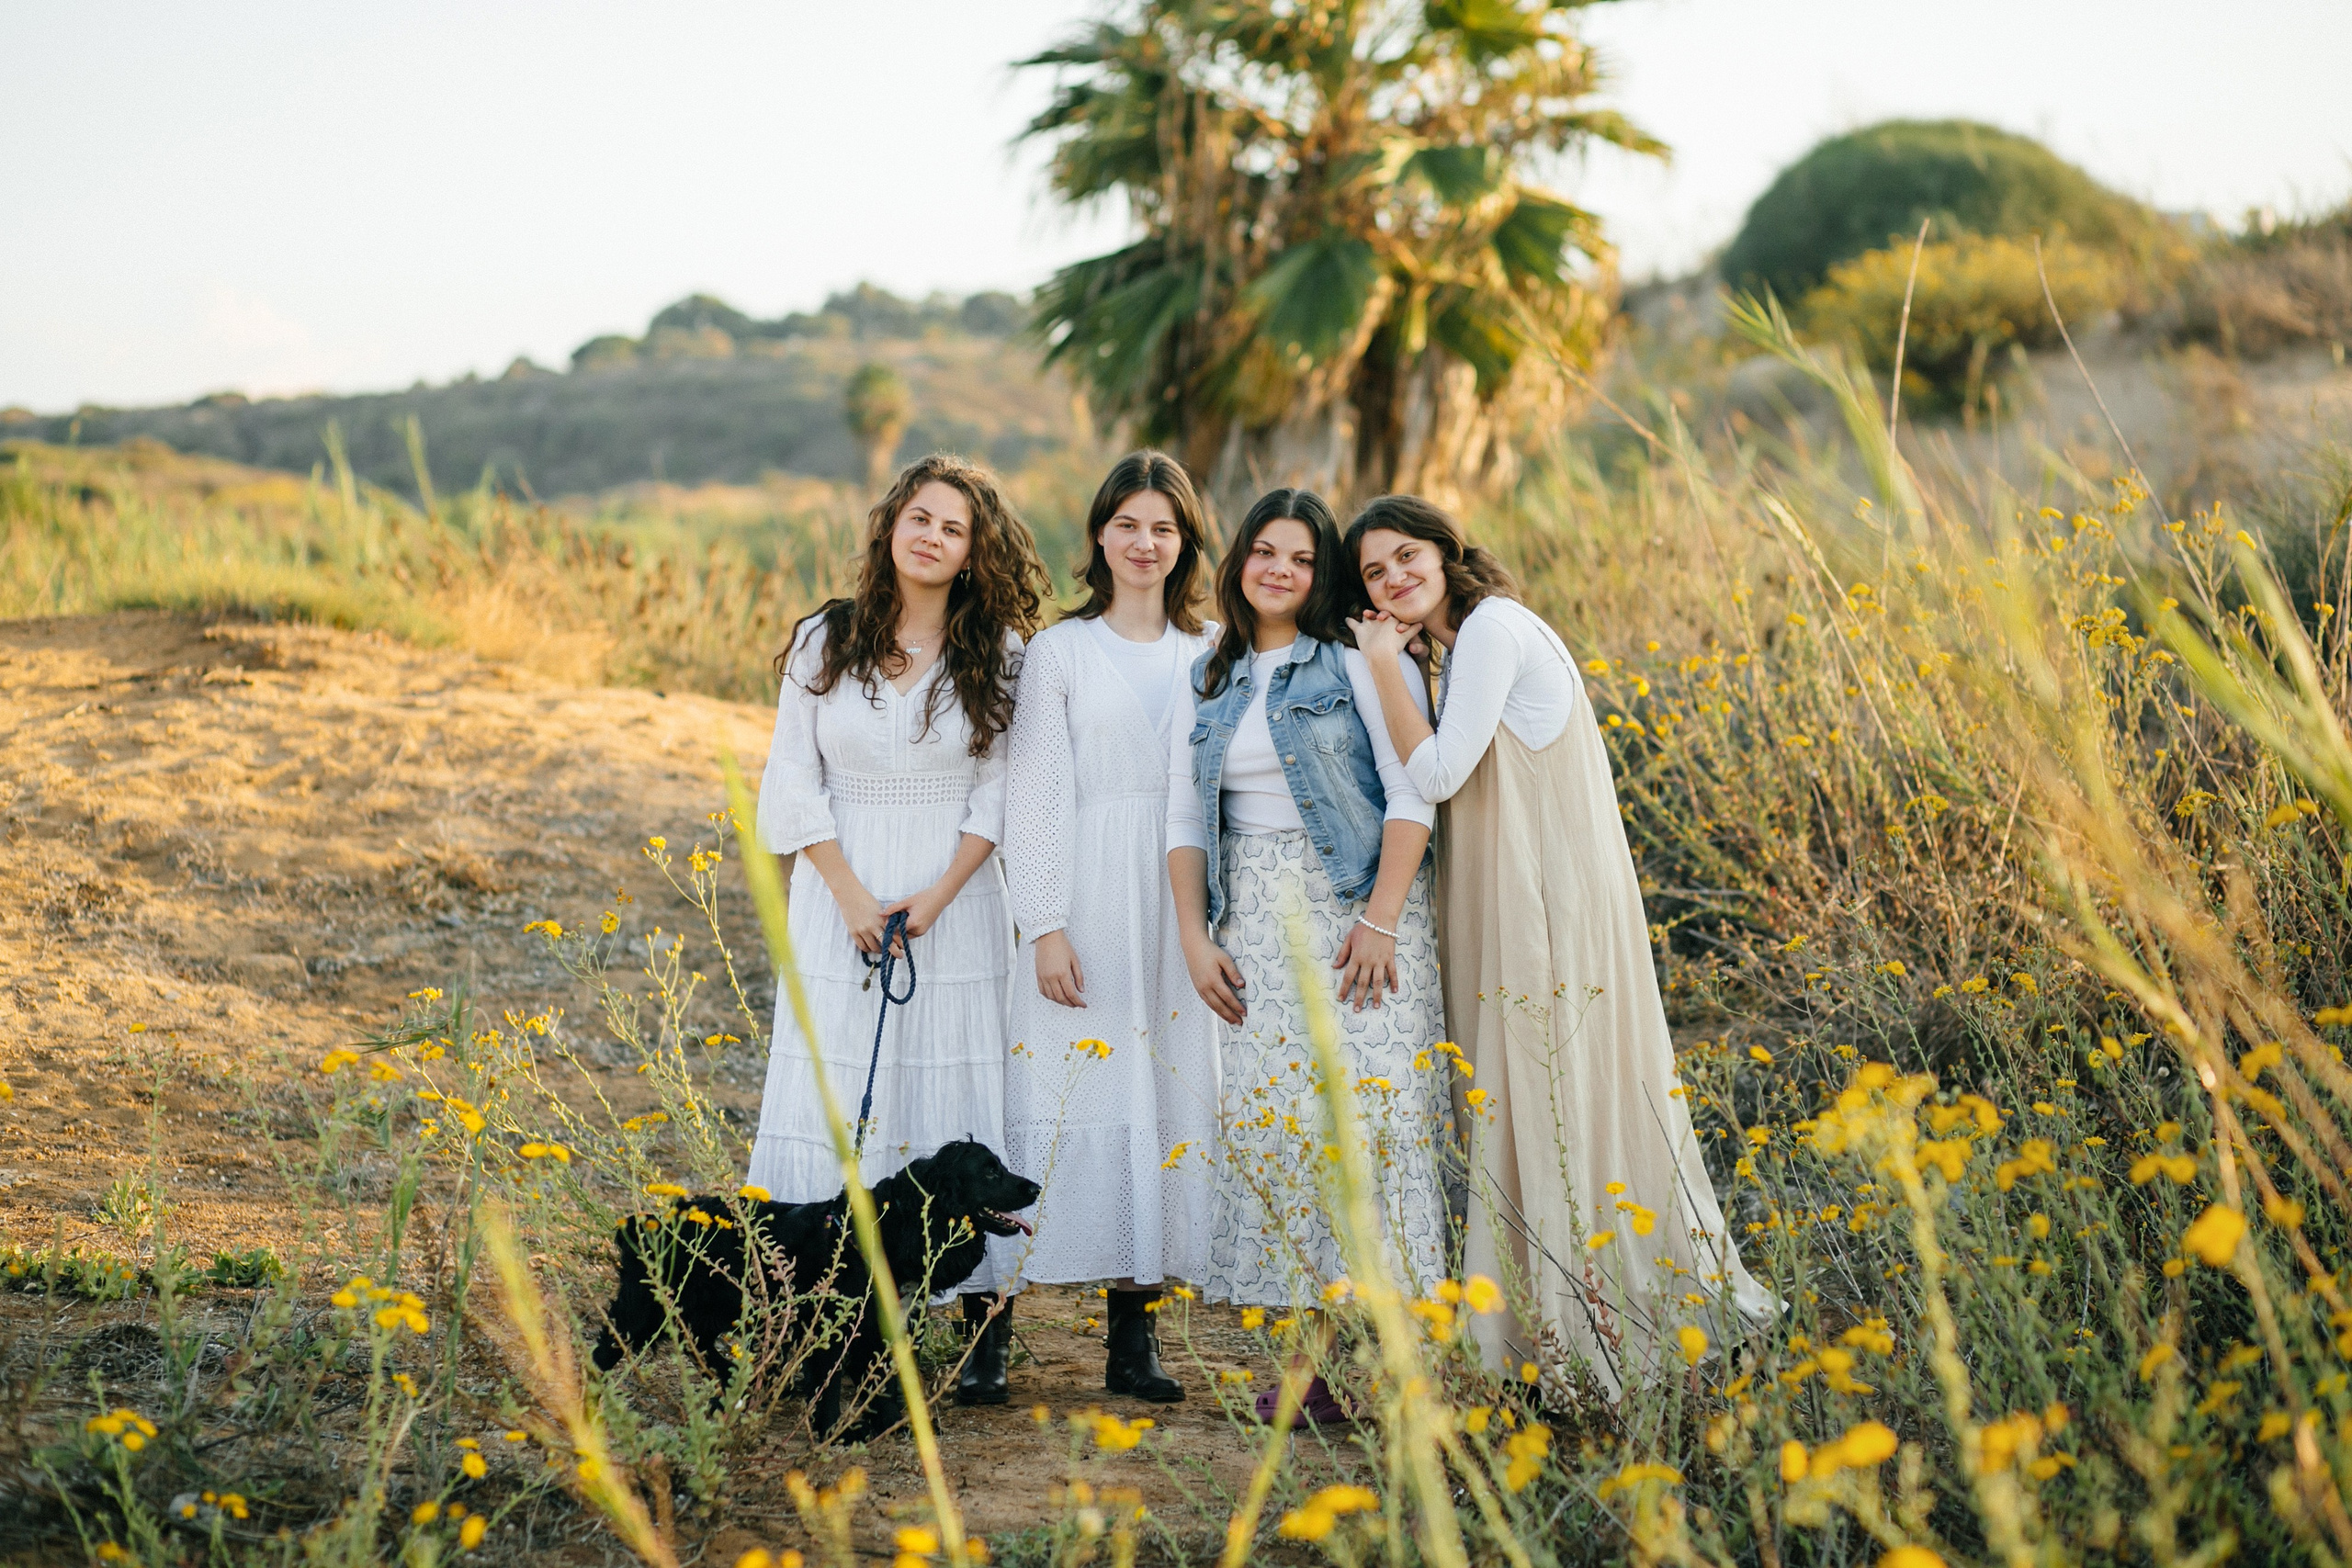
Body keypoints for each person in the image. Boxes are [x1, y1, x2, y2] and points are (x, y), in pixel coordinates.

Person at [1343, 493, 1775, 1400]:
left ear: (1445, 549)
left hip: (1542, 904)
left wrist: (1384, 666)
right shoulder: (1464, 648)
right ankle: (1555, 1327)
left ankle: (1597, 1333)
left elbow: (1435, 772)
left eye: (1405, 557)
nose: (1393, 578)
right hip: (1520, 896)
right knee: (1531, 1097)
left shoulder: (1494, 628)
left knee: (1551, 1094)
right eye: (1374, 573)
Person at [1168, 488, 1449, 1427]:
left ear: (1319, 574)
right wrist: (1194, 938)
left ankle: (1402, 1367)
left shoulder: (1361, 661)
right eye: (1264, 552)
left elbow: (1415, 793)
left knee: (1375, 1135)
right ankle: (1307, 1371)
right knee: (1284, 1142)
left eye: (1299, 557)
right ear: (1239, 561)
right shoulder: (1212, 674)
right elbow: (1183, 822)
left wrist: (1377, 918)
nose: (1279, 570)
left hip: (1357, 922)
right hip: (1250, 921)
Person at [750, 453, 1049, 1326]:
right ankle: (818, 1297)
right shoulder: (822, 639)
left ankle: (973, 1307)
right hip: (835, 885)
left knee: (950, 1083)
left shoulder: (999, 653)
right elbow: (790, 783)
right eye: (921, 518)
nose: (933, 537)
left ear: (973, 552)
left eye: (954, 528)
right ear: (890, 527)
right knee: (835, 1078)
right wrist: (848, 895)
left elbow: (999, 790)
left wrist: (936, 896)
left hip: (951, 897)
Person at [991, 451, 1221, 1406]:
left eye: (1163, 527)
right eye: (1127, 524)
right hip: (1084, 889)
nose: (1143, 542)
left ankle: (1136, 1339)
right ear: (1097, 536)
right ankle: (991, 1330)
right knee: (1049, 1093)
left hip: (1177, 905)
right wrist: (1044, 923)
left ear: (1185, 542)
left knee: (1162, 1099)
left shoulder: (1212, 652)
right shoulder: (1060, 653)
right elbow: (1033, 794)